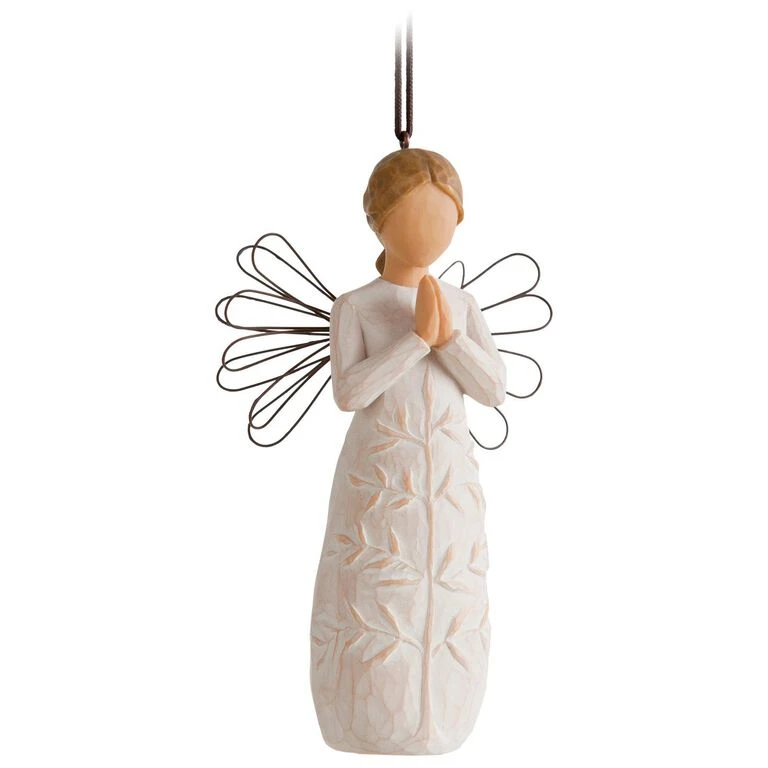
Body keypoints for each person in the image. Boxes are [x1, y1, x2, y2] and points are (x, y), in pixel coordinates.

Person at [309, 148, 507, 755]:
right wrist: (417, 340)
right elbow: (349, 392)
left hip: (447, 476)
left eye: (445, 217)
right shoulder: (358, 306)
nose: (432, 230)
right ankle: (361, 714)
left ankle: (444, 710)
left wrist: (449, 338)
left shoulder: (462, 306)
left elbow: (493, 388)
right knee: (375, 584)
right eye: (417, 214)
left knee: (449, 582)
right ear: (379, 219)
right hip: (379, 475)